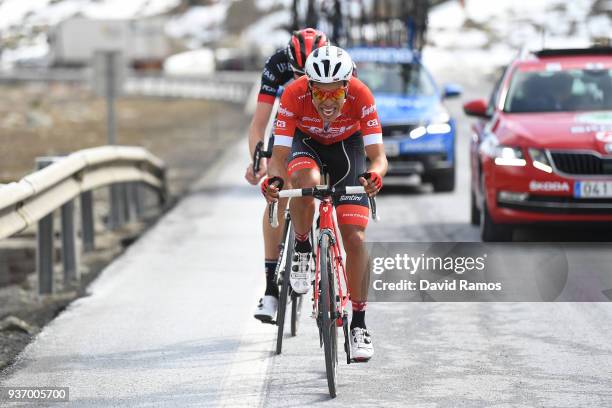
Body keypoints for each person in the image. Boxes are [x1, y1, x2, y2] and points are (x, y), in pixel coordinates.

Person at [261, 45, 388, 361]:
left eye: (335, 94)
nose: (327, 102)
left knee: (356, 238)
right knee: (306, 182)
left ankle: (358, 324)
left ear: (347, 85)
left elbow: (378, 157)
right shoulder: (293, 95)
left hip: (348, 149)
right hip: (307, 146)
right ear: (309, 87)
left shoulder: (361, 95)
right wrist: (275, 181)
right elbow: (278, 157)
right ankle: (303, 247)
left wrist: (374, 175)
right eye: (320, 94)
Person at [247, 28, 329, 323]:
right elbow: (259, 123)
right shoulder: (277, 64)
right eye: (297, 73)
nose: (302, 81)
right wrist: (257, 158)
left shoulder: (337, 63)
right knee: (277, 196)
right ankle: (270, 289)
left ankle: (320, 247)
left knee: (318, 186)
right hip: (288, 128)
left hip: (324, 130)